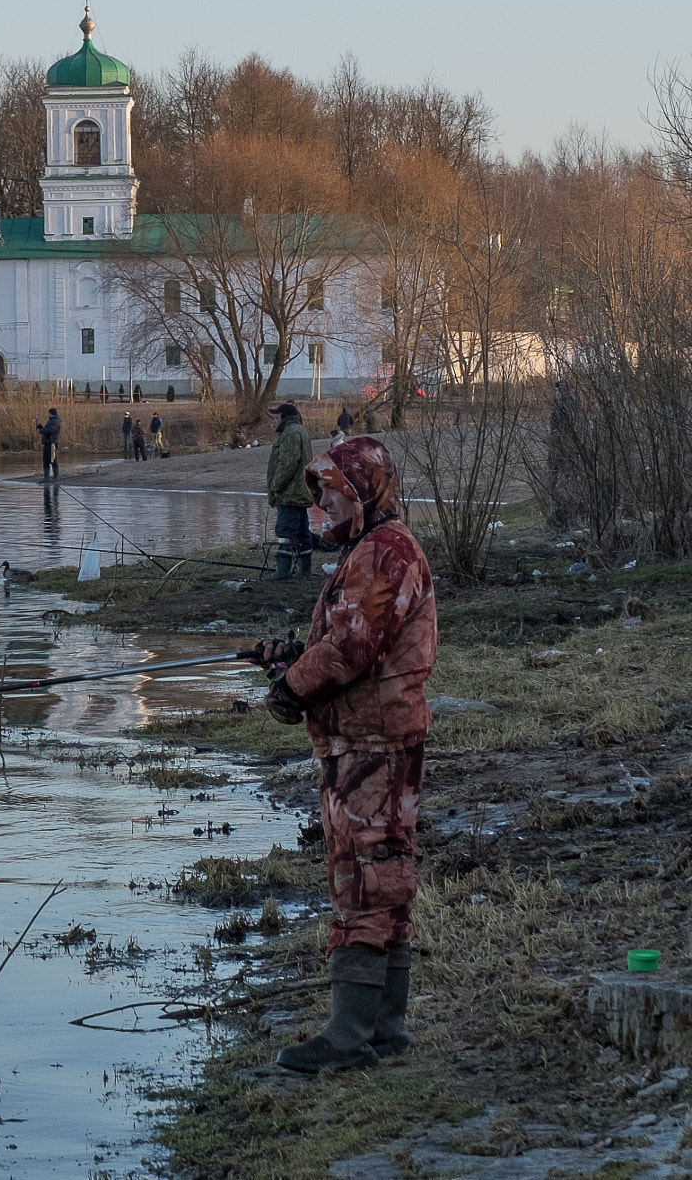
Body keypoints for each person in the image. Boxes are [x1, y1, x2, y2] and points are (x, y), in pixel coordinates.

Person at [248, 437, 434, 1073]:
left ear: (361, 492)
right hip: (361, 743)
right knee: (381, 881)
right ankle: (384, 1029)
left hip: (374, 746)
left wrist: (291, 688)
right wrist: (292, 657)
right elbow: (340, 640)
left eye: (328, 492)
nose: (319, 504)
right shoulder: (369, 550)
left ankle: (351, 1037)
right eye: (317, 493)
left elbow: (353, 650)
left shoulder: (386, 551)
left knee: (365, 882)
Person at [266, 402, 313, 580]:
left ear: (284, 418)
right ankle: (304, 572)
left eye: (275, 418)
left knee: (286, 532)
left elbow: (288, 464)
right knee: (302, 533)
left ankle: (283, 572)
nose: (273, 422)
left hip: (290, 494)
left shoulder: (290, 434)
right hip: (301, 493)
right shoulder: (300, 431)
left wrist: (275, 486)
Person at [36, 409, 61, 478]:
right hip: (47, 442)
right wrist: (40, 427)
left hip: (52, 443)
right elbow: (48, 430)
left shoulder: (55, 421)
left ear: (51, 413)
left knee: (52, 459)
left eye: (48, 413)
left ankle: (56, 477)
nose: (48, 415)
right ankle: (46, 477)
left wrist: (41, 430)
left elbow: (51, 430)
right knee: (46, 460)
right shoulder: (51, 421)